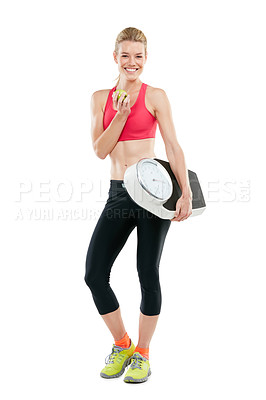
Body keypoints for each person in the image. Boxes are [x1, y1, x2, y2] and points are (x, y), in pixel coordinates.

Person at [84, 27, 192, 383]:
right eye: (126, 56)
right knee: (95, 274)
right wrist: (120, 114)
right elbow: (100, 151)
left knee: (148, 273)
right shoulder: (101, 98)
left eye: (139, 56)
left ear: (146, 59)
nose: (133, 63)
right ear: (115, 58)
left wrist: (186, 192)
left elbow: (173, 147)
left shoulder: (156, 95)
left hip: (154, 193)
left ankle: (143, 354)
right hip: (119, 192)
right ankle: (123, 344)